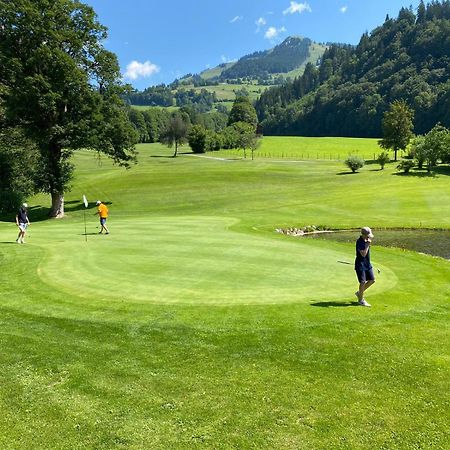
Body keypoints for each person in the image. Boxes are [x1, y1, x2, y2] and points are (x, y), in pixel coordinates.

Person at [354, 226, 375, 307]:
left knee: (372, 280)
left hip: (367, 263)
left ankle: (359, 293)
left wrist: (367, 243)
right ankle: (360, 300)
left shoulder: (366, 240)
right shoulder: (360, 242)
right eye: (368, 235)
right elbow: (363, 254)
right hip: (360, 264)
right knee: (362, 282)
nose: (369, 237)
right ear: (364, 235)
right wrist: (367, 245)